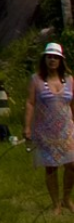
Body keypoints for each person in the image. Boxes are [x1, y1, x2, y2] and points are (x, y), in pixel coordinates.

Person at [26, 42, 74, 212]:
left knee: (72, 165)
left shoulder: (69, 80)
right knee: (51, 167)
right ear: (44, 59)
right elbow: (30, 103)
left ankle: (67, 198)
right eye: (49, 57)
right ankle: (56, 204)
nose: (52, 60)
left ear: (61, 60)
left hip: (67, 130)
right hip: (46, 130)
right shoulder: (36, 80)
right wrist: (27, 127)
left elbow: (73, 104)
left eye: (55, 57)